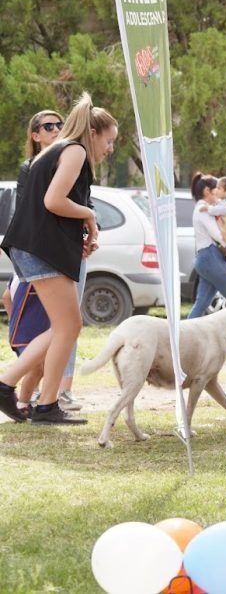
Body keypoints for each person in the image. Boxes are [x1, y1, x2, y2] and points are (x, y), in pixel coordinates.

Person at [0, 93, 117, 424]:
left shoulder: (57, 151)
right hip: (39, 251)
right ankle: (13, 386)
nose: (110, 149)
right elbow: (54, 201)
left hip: (36, 249)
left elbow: (51, 208)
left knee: (64, 327)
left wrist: (82, 233)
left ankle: (43, 402)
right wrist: (91, 219)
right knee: (68, 326)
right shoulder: (75, 150)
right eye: (109, 141)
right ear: (93, 133)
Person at [3, 109, 85, 414]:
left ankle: (37, 398)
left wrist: (87, 227)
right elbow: (36, 213)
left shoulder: (65, 160)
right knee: (51, 327)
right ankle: (23, 394)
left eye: (60, 124)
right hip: (41, 255)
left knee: (63, 327)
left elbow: (76, 201)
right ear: (35, 135)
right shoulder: (33, 168)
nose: (56, 129)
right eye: (48, 126)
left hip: (63, 252)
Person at [187, 173, 226, 319]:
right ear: (207, 191)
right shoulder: (203, 209)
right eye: (215, 190)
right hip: (210, 257)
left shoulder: (205, 208)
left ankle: (183, 337)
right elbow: (217, 234)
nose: (218, 194)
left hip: (206, 259)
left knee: (201, 304)